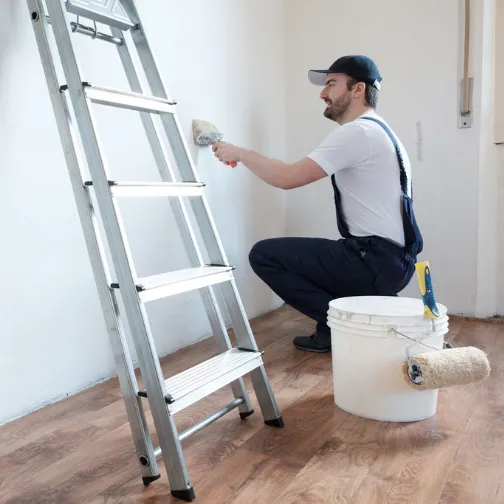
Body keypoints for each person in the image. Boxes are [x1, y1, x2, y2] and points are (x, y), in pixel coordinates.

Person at [212, 55, 423, 353]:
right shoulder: (379, 130)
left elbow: (286, 178)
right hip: (392, 261)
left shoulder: (357, 132)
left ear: (357, 89)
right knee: (322, 255)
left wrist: (240, 153)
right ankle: (335, 327)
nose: (323, 93)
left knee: (264, 255)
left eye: (332, 84)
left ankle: (351, 328)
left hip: (374, 261)